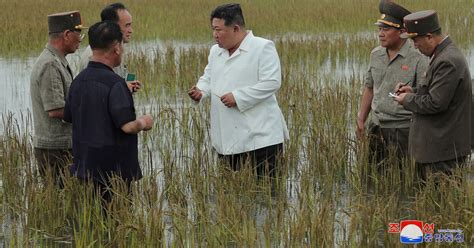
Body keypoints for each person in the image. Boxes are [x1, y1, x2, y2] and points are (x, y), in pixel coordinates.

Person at [188, 3, 289, 179]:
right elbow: (208, 77)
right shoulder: (215, 52)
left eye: (218, 30)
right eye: (213, 29)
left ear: (235, 28)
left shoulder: (262, 47)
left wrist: (238, 97)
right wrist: (200, 91)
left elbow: (272, 82)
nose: (215, 35)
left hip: (262, 140)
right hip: (227, 139)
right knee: (232, 194)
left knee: (267, 194)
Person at [64, 21, 153, 204]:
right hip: (114, 174)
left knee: (92, 222)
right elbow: (128, 126)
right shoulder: (116, 84)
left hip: (85, 169)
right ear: (116, 48)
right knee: (117, 222)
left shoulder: (78, 81)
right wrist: (144, 122)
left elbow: (69, 117)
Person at [394, 10, 472, 180]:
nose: (414, 45)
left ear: (429, 36)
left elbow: (435, 102)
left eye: (416, 40)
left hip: (443, 151)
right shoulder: (441, 55)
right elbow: (440, 93)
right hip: (439, 149)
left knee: (442, 202)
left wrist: (407, 100)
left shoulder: (447, 60)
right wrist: (413, 92)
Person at [356, 0, 427, 165]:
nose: (380, 33)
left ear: (402, 32)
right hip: (376, 126)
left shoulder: (417, 57)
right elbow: (369, 88)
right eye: (379, 29)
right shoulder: (375, 55)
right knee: (374, 176)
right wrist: (361, 120)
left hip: (403, 131)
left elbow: (425, 95)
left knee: (403, 180)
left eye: (386, 29)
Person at [30, 11, 87, 187]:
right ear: (67, 35)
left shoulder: (57, 60)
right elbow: (55, 110)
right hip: (55, 150)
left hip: (60, 147)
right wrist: (90, 113)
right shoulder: (50, 64)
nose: (80, 40)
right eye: (79, 34)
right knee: (62, 204)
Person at [75, 2, 140, 93]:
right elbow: (95, 96)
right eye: (127, 25)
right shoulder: (94, 54)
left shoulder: (115, 49)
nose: (131, 31)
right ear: (113, 27)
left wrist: (126, 87)